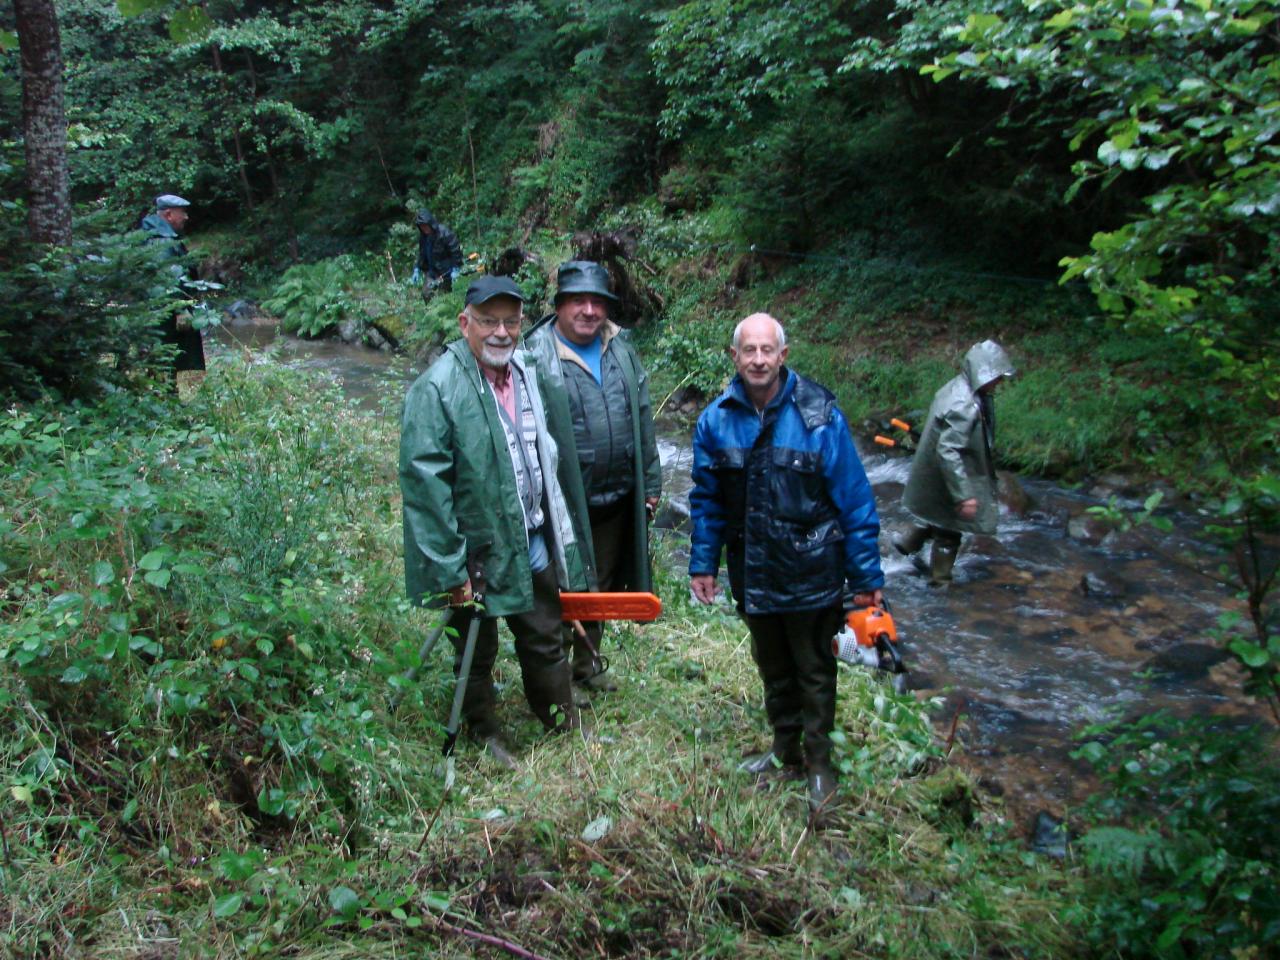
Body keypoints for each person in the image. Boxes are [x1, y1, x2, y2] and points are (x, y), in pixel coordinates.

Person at [688, 313, 884, 817]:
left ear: (783, 355)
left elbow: (857, 501)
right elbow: (707, 502)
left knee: (815, 670)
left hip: (813, 571)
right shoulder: (715, 420)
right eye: (748, 350)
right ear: (734, 357)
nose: (758, 359)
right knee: (772, 666)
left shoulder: (820, 415)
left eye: (766, 350)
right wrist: (703, 563)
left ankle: (820, 765)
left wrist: (866, 580)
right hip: (753, 571)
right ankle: (784, 750)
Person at [399, 275, 592, 767]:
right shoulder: (438, 387)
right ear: (466, 323)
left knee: (546, 635)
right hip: (474, 554)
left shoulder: (526, 373)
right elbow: (425, 487)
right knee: (474, 648)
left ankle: (559, 720)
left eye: (510, 321)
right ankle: (483, 733)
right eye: (488, 321)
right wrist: (449, 570)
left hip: (529, 538)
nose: (501, 332)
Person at [524, 261, 661, 693]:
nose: (588, 310)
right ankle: (555, 680)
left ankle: (587, 669)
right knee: (562, 590)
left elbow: (642, 417)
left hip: (615, 496)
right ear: (560, 305)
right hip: (562, 501)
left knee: (598, 586)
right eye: (577, 300)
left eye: (597, 302)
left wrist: (651, 485)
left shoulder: (621, 348)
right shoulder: (534, 355)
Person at [894, 340, 1016, 586]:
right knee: (949, 532)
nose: (1000, 382)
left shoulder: (956, 388)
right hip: (947, 472)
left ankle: (906, 545)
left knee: (937, 516)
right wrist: (964, 496)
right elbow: (948, 450)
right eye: (997, 377)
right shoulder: (963, 405)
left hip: (937, 471)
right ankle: (940, 583)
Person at [139, 193, 205, 377]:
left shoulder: (159, 237)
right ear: (168, 215)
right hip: (165, 315)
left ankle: (167, 399)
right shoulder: (161, 241)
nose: (186, 217)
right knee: (165, 359)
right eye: (182, 212)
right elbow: (167, 279)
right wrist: (180, 310)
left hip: (161, 313)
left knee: (166, 360)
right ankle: (165, 401)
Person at [410, 209, 462, 299]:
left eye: (425, 226)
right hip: (431, 271)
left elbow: (455, 250)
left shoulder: (445, 233)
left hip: (445, 271)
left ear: (430, 224)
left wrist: (456, 267)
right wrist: (417, 268)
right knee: (426, 294)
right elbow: (422, 254)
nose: (424, 229)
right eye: (422, 227)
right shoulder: (423, 238)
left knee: (445, 297)